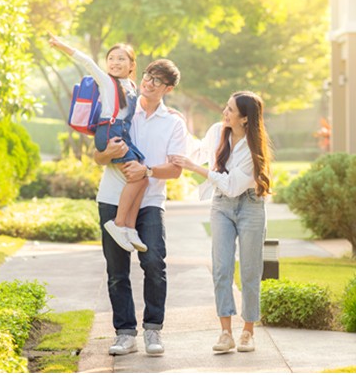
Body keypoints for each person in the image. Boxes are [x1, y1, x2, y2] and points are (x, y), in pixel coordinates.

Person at [93, 58, 186, 357]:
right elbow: (98, 157)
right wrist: (108, 152)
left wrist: (146, 172)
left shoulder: (173, 121)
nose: (149, 82)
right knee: (117, 271)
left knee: (154, 265)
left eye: (158, 81)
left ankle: (153, 330)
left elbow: (175, 169)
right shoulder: (123, 110)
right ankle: (124, 333)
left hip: (150, 202)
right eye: (148, 76)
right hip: (111, 198)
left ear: (168, 88)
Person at [170, 91, 272, 354]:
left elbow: (234, 185)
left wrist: (199, 170)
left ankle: (248, 332)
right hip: (221, 207)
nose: (224, 113)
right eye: (226, 107)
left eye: (230, 110)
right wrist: (178, 122)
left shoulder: (254, 149)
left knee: (250, 270)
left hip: (250, 205)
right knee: (221, 268)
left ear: (245, 119)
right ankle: (226, 332)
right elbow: (198, 150)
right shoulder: (218, 130)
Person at [48, 34, 149, 253]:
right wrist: (61, 45)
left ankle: (129, 228)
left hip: (122, 134)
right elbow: (86, 61)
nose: (114, 62)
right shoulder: (107, 82)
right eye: (111, 58)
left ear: (132, 65)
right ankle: (118, 223)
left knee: (143, 179)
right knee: (135, 176)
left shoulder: (131, 86)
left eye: (121, 59)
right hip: (109, 132)